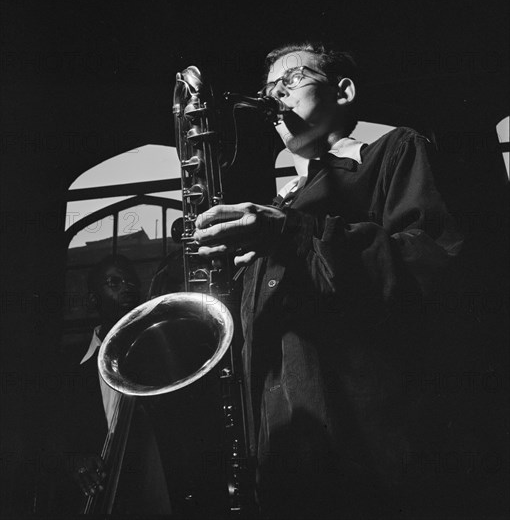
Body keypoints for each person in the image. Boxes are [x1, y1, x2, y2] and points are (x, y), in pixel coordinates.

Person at [194, 41, 463, 519]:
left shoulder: (396, 149)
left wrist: (290, 233)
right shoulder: (277, 207)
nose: (275, 96)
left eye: (291, 80)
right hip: (281, 446)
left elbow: (427, 264)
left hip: (366, 451)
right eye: (268, 88)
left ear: (343, 91)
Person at [67, 254, 171, 516]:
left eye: (131, 282)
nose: (127, 288)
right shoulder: (69, 369)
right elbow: (51, 439)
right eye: (114, 282)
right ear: (93, 300)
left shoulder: (159, 354)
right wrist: (73, 460)